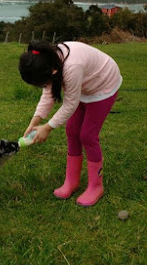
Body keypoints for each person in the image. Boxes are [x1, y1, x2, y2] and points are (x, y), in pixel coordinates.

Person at [18, 41, 122, 207]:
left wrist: (47, 127)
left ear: (52, 72)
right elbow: (48, 94)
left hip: (103, 85)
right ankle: (72, 181)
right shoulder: (48, 62)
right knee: (72, 131)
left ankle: (96, 186)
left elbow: (70, 104)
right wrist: (35, 121)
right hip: (83, 86)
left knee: (88, 135)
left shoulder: (72, 67)